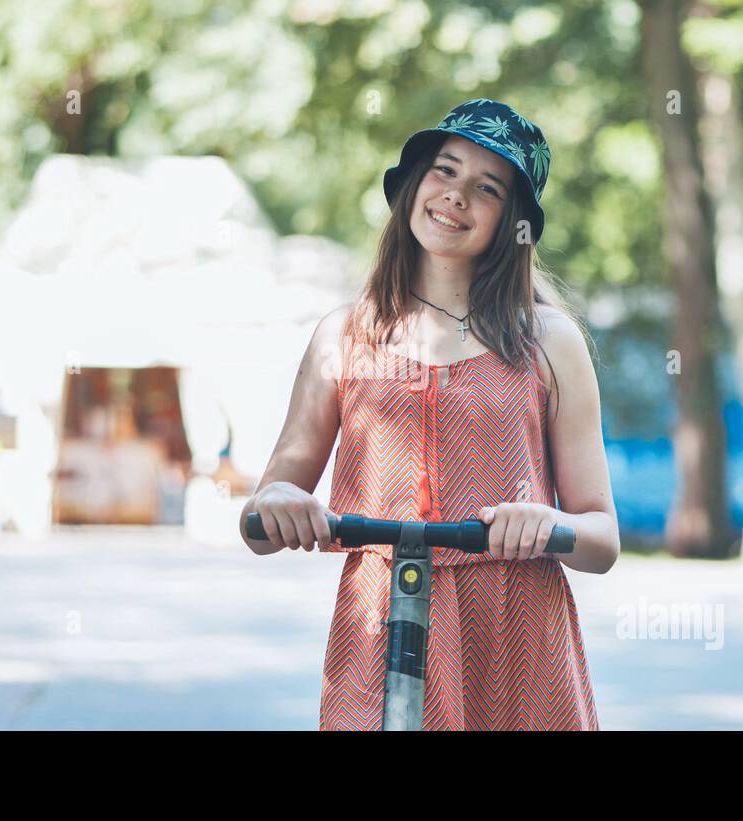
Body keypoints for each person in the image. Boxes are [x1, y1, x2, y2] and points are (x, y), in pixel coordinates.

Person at [240, 99, 620, 730]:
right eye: (445, 170)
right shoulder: (343, 336)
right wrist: (281, 503)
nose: (456, 196)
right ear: (414, 182)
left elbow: (601, 540)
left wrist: (547, 521)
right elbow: (259, 519)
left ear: (513, 221)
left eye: (487, 187)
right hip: (377, 628)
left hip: (513, 633)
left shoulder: (549, 342)